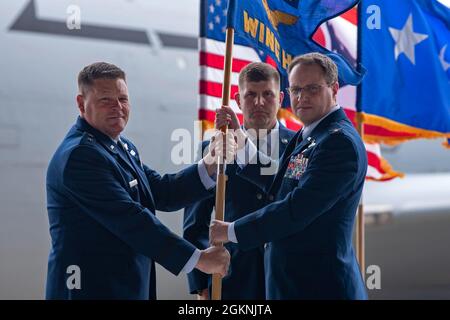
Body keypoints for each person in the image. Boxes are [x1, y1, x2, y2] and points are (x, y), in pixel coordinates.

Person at [45, 62, 234, 300]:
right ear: (82, 104)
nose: (118, 107)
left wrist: (211, 161)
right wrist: (198, 259)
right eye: (106, 100)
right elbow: (132, 220)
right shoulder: (80, 156)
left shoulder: (119, 147)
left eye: (123, 99)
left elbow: (164, 192)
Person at [210, 52, 368, 299]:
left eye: (312, 89)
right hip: (294, 286)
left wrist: (231, 231)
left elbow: (296, 209)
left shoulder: (338, 143)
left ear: (334, 89)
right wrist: (240, 139)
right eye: (296, 89)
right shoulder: (310, 135)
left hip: (321, 288)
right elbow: (278, 187)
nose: (301, 97)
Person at [183, 62, 296, 299]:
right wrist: (201, 285)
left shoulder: (299, 147)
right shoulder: (213, 148)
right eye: (251, 95)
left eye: (268, 94)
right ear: (237, 99)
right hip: (231, 280)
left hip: (287, 277)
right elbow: (195, 222)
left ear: (281, 98)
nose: (259, 103)